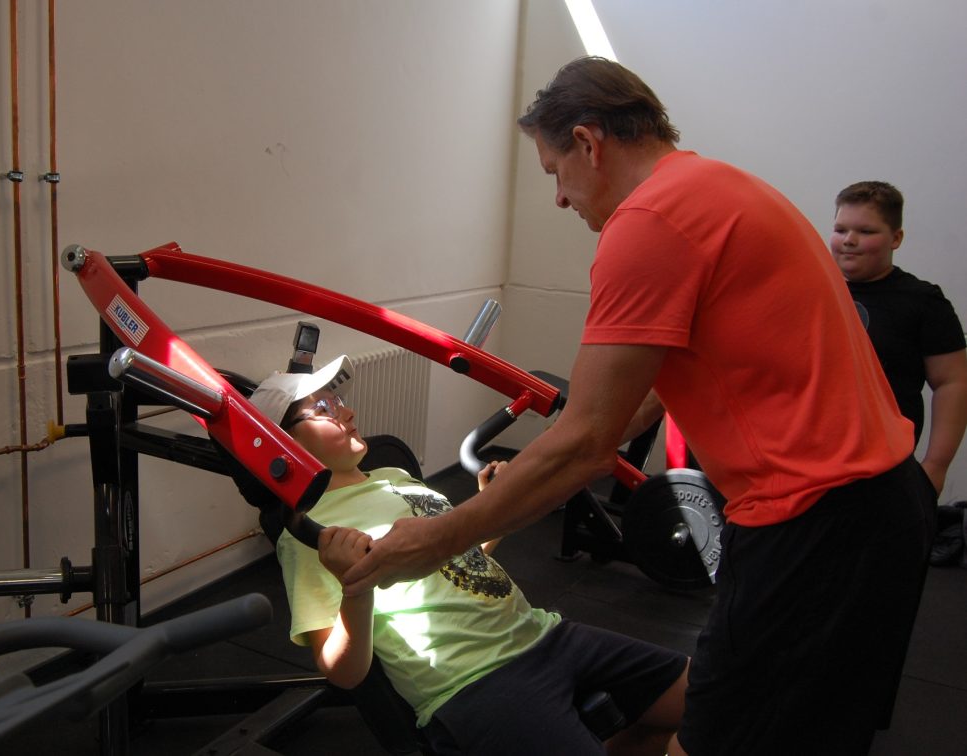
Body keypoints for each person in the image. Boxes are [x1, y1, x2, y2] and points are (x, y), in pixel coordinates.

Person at [341, 56, 936, 756]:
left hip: (813, 528)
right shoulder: (721, 186)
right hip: (882, 511)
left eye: (554, 172)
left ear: (588, 143)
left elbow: (586, 442)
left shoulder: (649, 221)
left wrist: (438, 538)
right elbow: (651, 392)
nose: (559, 199)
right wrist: (533, 469)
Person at [248, 355, 688, 756]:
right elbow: (343, 673)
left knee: (706, 702)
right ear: (280, 444)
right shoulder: (309, 532)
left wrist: (487, 506)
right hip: (475, 682)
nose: (347, 413)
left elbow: (459, 562)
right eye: (323, 408)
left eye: (339, 400)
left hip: (545, 634)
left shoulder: (393, 475)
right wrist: (356, 589)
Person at [830, 180, 967, 496]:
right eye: (840, 229)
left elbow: (952, 383)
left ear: (896, 238)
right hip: (812, 468)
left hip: (885, 474)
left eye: (866, 231)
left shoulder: (923, 301)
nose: (849, 240)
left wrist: (935, 467)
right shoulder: (816, 291)